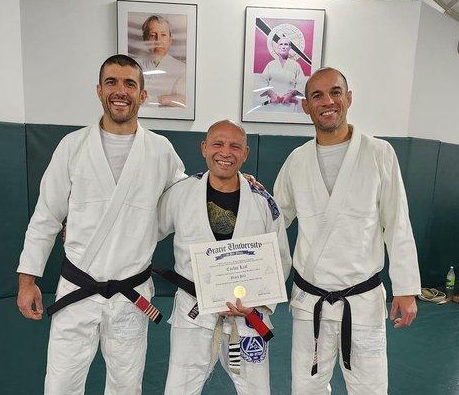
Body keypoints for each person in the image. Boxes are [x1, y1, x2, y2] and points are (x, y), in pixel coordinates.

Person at [16, 54, 185, 395]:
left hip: (131, 293)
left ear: (142, 95)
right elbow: (46, 216)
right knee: (61, 384)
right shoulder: (72, 146)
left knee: (126, 386)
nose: (120, 91)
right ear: (98, 90)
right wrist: (27, 279)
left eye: (129, 84)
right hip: (77, 289)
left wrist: (233, 182)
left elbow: (185, 202)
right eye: (111, 82)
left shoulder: (160, 150)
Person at [273, 67, 421, 395]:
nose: (328, 101)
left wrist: (406, 287)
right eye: (317, 95)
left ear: (348, 98)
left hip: (362, 300)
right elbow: (274, 222)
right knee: (306, 387)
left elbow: (397, 222)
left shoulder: (379, 153)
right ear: (306, 106)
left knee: (369, 388)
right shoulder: (296, 161)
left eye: (335, 92)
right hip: (310, 299)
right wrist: (251, 197)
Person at [156, 119, 292, 395]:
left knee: (256, 390)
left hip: (248, 316)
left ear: (245, 153)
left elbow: (280, 260)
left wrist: (257, 301)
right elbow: (146, 232)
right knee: (179, 389)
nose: (225, 152)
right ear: (204, 148)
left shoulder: (263, 201)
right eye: (217, 143)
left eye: (235, 146)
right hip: (193, 313)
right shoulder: (180, 194)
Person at [139, 15, 186, 108]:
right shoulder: (135, 66)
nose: (158, 40)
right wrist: (166, 100)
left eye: (163, 35)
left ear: (170, 40)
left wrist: (158, 100)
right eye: (153, 35)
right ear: (145, 39)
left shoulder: (182, 69)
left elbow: (182, 102)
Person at [257, 34, 305, 112]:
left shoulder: (295, 65)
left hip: (290, 105)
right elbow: (261, 82)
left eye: (286, 44)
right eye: (281, 44)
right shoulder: (271, 64)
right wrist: (270, 93)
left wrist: (291, 94)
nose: (283, 46)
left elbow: (302, 83)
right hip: (272, 104)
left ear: (290, 48)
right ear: (277, 47)